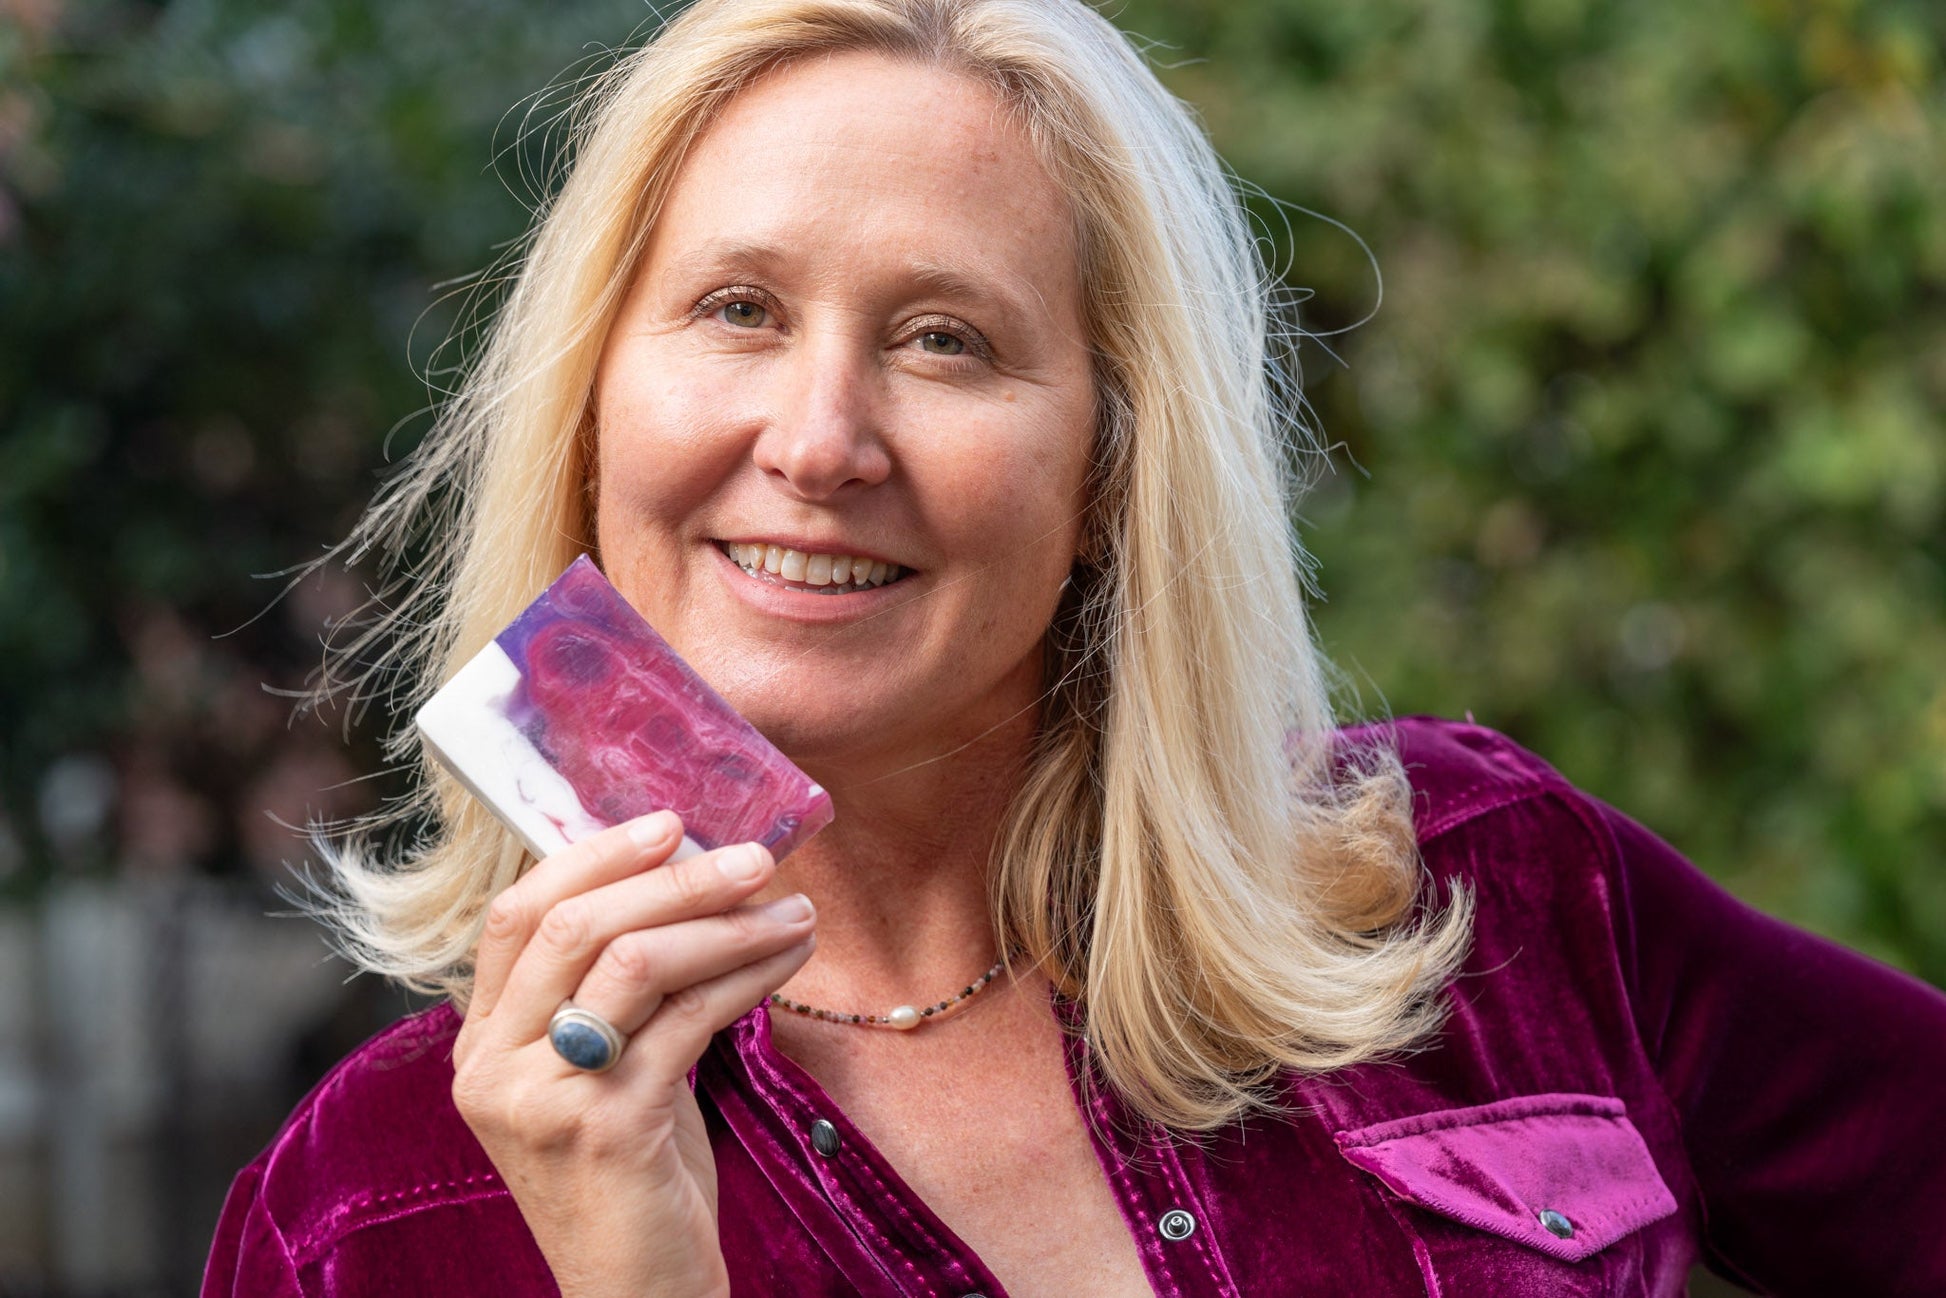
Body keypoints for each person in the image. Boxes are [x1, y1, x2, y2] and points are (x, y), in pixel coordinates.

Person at [202, 1, 1946, 1295]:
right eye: (737, 309)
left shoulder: (1484, 892)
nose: (818, 440)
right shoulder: (365, 1209)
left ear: (1114, 470)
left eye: (945, 339)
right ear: (594, 410)